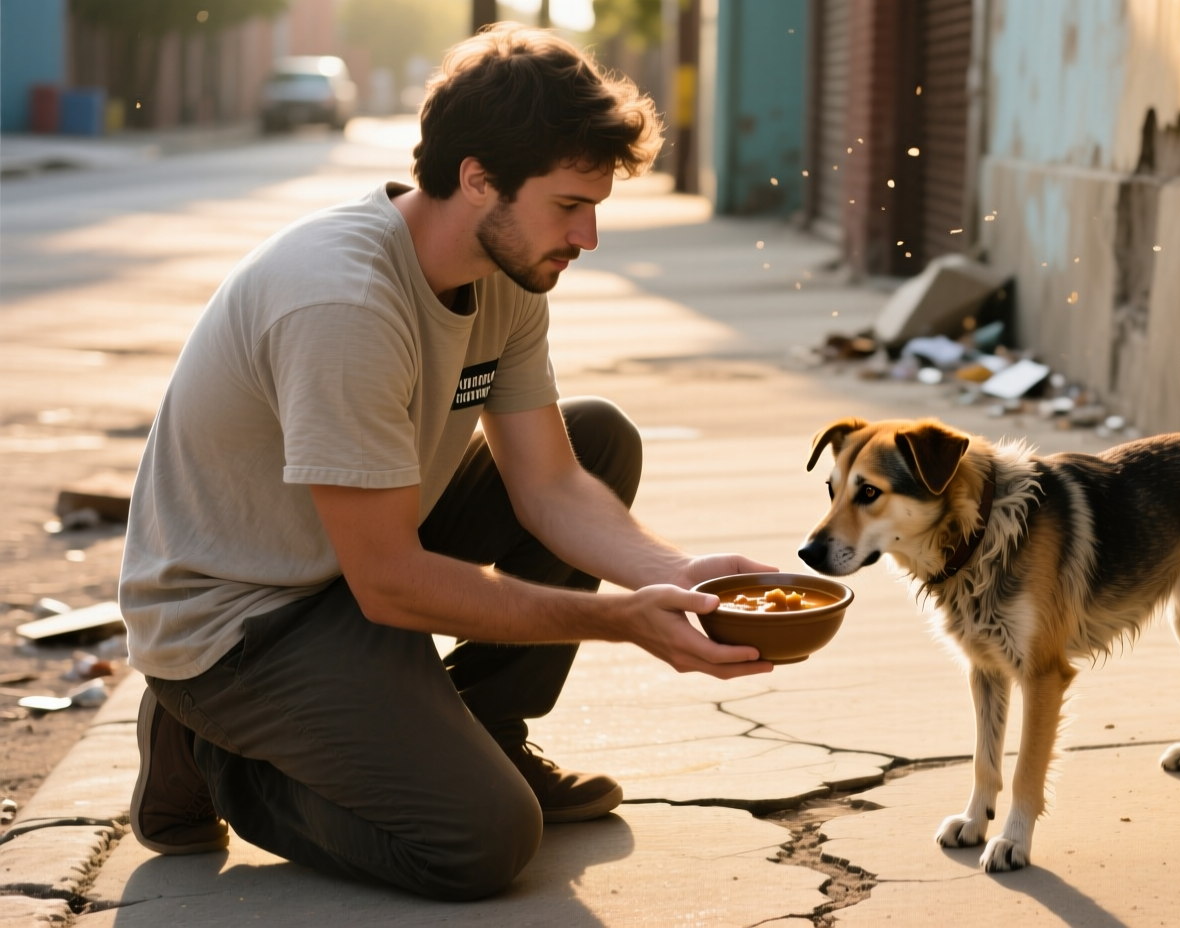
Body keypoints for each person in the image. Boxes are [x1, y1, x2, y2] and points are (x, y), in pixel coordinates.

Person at [117, 24, 773, 901]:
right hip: (242, 620)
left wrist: (677, 575)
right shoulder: (342, 300)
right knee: (480, 844)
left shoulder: (507, 269)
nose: (588, 236)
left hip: (350, 555)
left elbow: (549, 484)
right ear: (477, 178)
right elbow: (391, 583)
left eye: (596, 208)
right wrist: (621, 621)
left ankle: (487, 727)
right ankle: (212, 752)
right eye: (570, 205)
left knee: (598, 436)